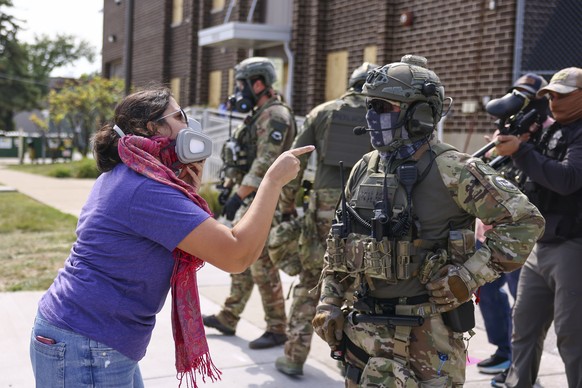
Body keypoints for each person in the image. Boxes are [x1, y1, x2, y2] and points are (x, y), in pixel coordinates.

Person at [28, 85, 314, 387]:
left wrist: (188, 191)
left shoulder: (132, 174)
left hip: (87, 337)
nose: (189, 125)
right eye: (180, 116)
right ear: (151, 127)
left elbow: (186, 232)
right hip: (87, 345)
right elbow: (236, 254)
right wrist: (271, 181)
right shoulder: (146, 189)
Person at [311, 55, 545, 387]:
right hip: (363, 332)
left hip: (428, 338)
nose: (371, 116)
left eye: (383, 107)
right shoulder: (365, 167)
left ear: (419, 113)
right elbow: (339, 243)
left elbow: (525, 221)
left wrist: (468, 276)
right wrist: (330, 301)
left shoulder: (455, 170)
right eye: (370, 106)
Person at [272, 62, 378, 376]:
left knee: (311, 280)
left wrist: (288, 205)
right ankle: (358, 363)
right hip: (372, 207)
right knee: (365, 283)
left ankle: (294, 356)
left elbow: (295, 161)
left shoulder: (324, 111)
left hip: (325, 208)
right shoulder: (388, 114)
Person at [491, 67, 582, 388]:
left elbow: (568, 179)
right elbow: (533, 177)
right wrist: (518, 145)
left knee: (573, 338)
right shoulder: (549, 129)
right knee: (523, 329)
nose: (555, 101)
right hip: (541, 244)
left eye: (564, 95)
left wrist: (522, 150)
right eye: (551, 95)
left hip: (573, 245)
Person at [203, 57, 297, 349]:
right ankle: (229, 316)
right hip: (250, 196)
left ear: (258, 84)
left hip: (266, 199)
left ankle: (278, 327)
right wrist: (231, 187)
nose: (238, 90)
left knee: (261, 263)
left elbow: (266, 162)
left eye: (242, 84)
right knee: (242, 259)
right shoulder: (260, 113)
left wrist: (237, 196)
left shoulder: (276, 115)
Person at [475, 73, 553, 375]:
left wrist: (521, 148)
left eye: (525, 96)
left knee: (522, 302)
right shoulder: (508, 127)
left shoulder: (549, 132)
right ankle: (502, 350)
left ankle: (521, 366)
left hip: (521, 233)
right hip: (489, 228)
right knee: (488, 294)